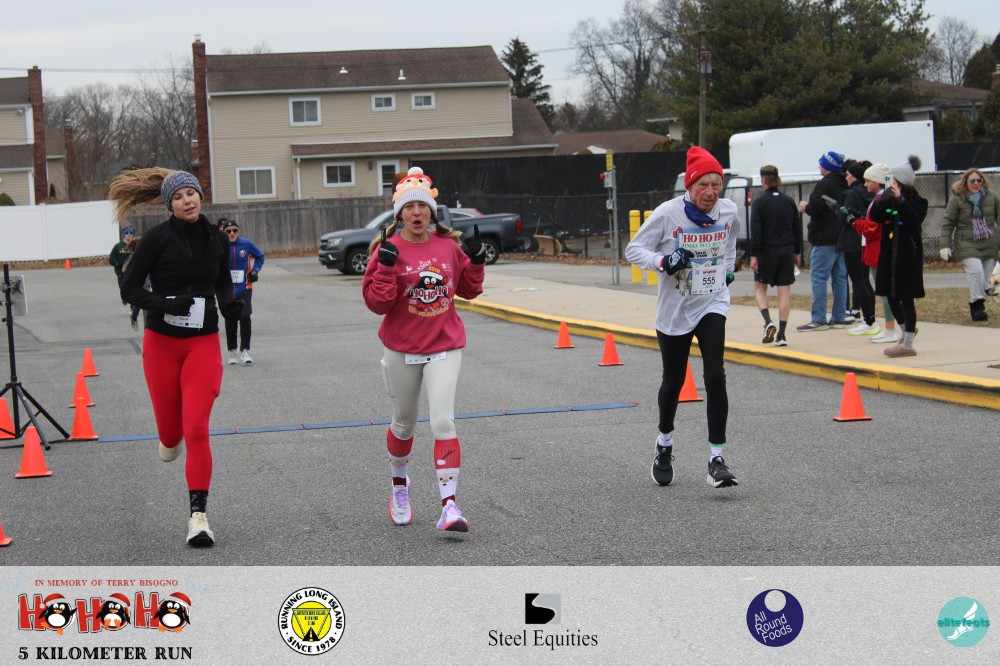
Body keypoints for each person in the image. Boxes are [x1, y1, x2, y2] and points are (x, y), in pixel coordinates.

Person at [110, 168, 242, 547]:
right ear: (170, 204)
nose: (188, 201)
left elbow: (222, 281)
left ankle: (198, 517)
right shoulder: (156, 238)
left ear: (201, 196)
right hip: (162, 343)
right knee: (171, 438)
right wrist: (164, 303)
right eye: (179, 196)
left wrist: (229, 306)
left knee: (196, 427)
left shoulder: (218, 238)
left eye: (192, 193)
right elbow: (129, 288)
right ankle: (171, 438)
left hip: (203, 342)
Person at [362, 166, 486, 532]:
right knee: (404, 424)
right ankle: (399, 486)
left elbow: (469, 290)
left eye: (422, 207)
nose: (417, 213)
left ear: (431, 211)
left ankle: (450, 506)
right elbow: (377, 304)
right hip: (402, 349)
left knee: (443, 421)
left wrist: (477, 262)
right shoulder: (387, 250)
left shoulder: (448, 246)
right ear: (399, 214)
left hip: (444, 346)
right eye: (409, 207)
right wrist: (386, 269)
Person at [625, 146, 739, 490]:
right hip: (675, 309)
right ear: (689, 186)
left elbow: (730, 242)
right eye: (703, 185)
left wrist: (727, 270)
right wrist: (663, 262)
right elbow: (633, 250)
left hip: (711, 302)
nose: (710, 192)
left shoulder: (729, 211)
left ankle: (716, 459)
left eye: (716, 185)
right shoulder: (668, 213)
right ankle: (664, 444)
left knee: (715, 374)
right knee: (673, 381)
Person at [870, 156, 927, 358]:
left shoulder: (919, 202)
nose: (890, 182)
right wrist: (883, 200)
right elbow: (875, 217)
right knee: (890, 295)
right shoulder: (889, 199)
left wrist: (901, 200)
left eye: (892, 179)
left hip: (908, 255)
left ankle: (908, 345)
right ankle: (906, 333)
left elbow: (913, 221)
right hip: (889, 254)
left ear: (901, 181)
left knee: (906, 297)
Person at [749, 164, 801, 347]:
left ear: (763, 180)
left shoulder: (759, 203)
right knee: (784, 291)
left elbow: (756, 231)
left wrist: (753, 255)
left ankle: (768, 321)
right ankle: (782, 335)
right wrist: (797, 252)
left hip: (766, 251)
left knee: (760, 288)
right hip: (786, 250)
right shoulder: (789, 201)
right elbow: (796, 228)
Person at [797, 151, 849, 331]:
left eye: (821, 163)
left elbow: (816, 208)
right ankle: (839, 317)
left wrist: (805, 206)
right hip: (840, 235)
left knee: (819, 277)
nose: (819, 166)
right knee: (840, 278)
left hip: (824, 237)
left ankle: (818, 319)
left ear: (828, 166)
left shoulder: (825, 184)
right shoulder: (844, 183)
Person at [940, 169, 1000, 322]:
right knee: (976, 272)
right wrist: (945, 245)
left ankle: (982, 295)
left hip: (988, 242)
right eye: (972, 181)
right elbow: (948, 222)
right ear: (965, 182)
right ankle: (977, 307)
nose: (976, 183)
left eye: (979, 180)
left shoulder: (991, 196)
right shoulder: (957, 199)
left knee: (984, 278)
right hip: (966, 242)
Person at [852, 163, 900, 344]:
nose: (865, 184)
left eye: (868, 180)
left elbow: (872, 228)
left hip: (877, 249)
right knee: (884, 290)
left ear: (878, 181)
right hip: (877, 247)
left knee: (884, 290)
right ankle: (891, 327)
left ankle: (890, 329)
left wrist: (855, 223)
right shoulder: (880, 197)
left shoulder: (881, 200)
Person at [838, 159, 880, 336]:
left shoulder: (851, 194)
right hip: (864, 240)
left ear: (854, 176)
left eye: (847, 174)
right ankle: (870, 317)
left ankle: (868, 320)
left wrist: (841, 212)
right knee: (865, 281)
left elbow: (847, 218)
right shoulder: (870, 194)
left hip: (852, 240)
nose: (845, 177)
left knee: (858, 282)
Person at [222, 220, 265, 364]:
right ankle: (232, 350)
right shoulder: (221, 245)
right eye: (228, 231)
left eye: (234, 230)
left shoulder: (246, 244)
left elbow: (260, 256)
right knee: (230, 318)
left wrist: (255, 271)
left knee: (245, 316)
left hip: (245, 286)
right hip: (228, 288)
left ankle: (245, 350)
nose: (232, 233)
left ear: (238, 232)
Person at [109, 227, 136, 306]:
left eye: (131, 233)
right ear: (124, 235)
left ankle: (133, 304)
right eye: (127, 233)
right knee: (123, 287)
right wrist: (116, 263)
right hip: (121, 271)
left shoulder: (135, 245)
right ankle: (125, 298)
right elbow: (112, 258)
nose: (129, 235)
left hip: (133, 271)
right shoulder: (118, 246)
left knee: (133, 288)